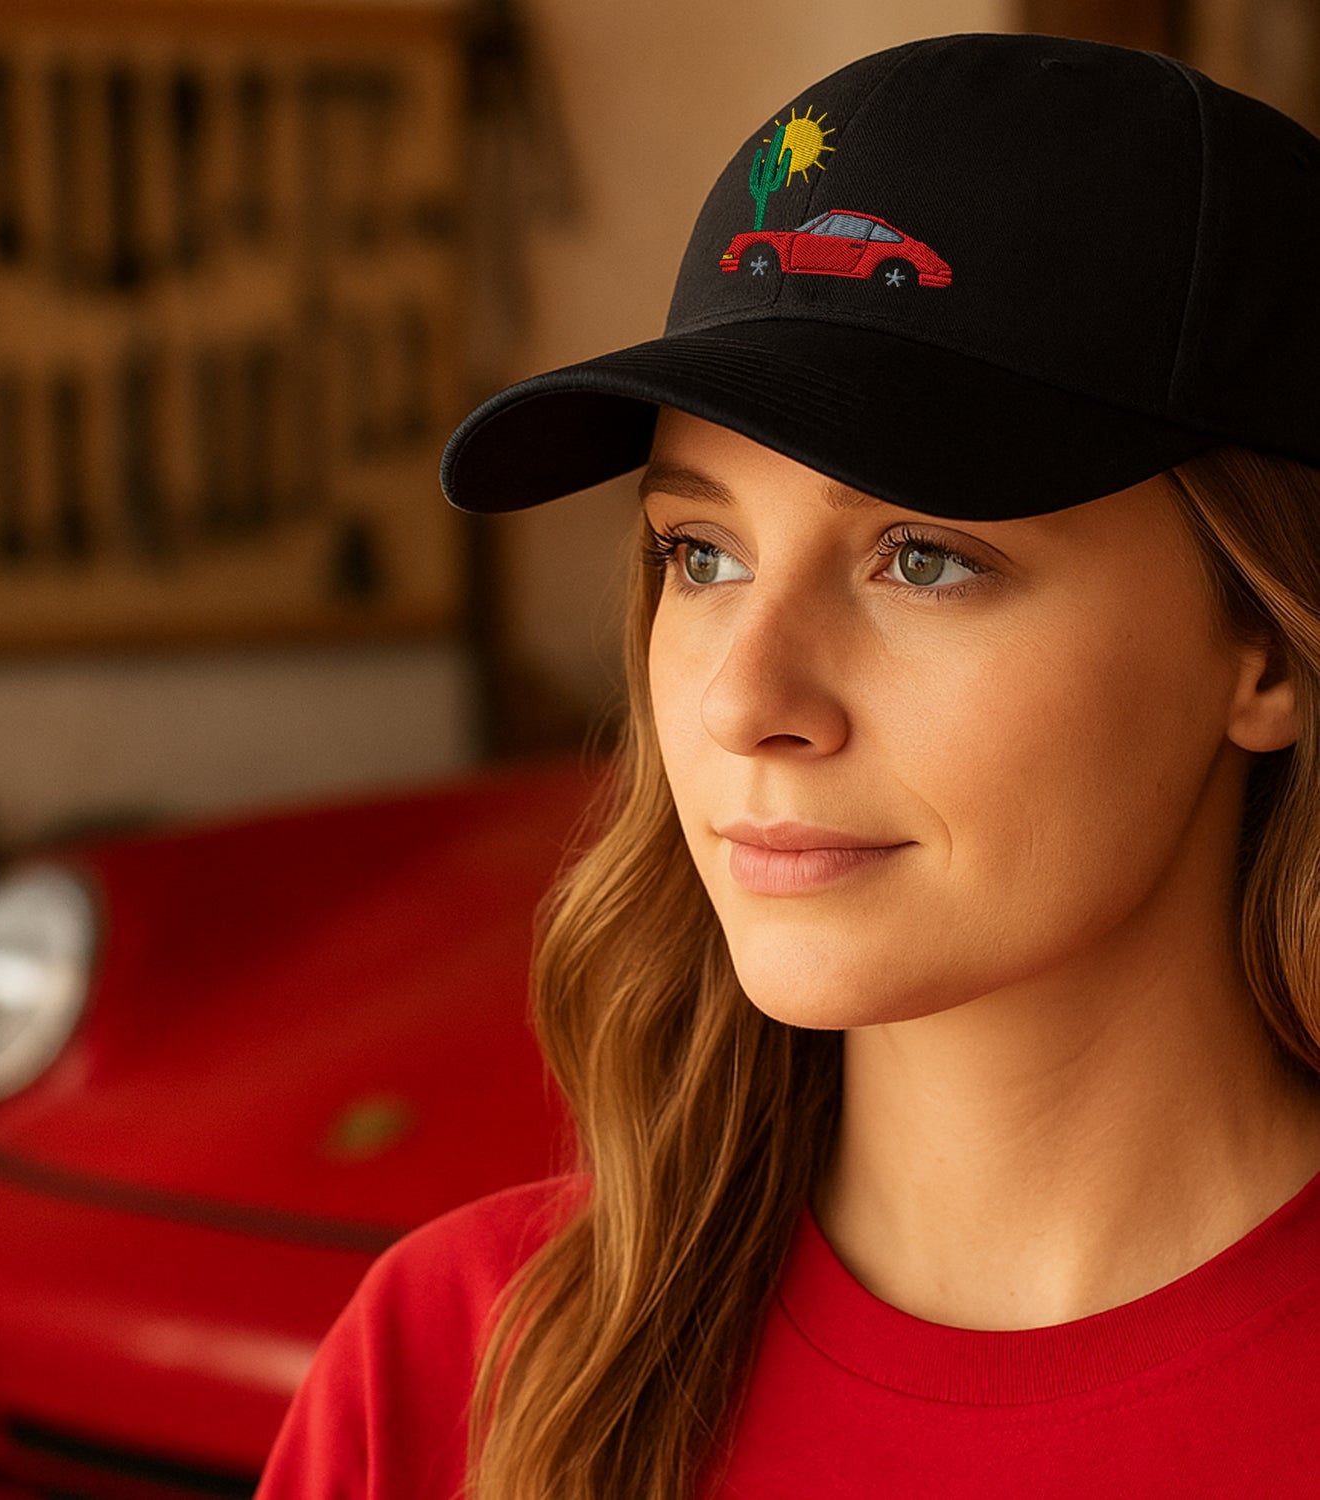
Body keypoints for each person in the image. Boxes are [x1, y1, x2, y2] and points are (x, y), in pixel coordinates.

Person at [257, 32, 1320, 1499]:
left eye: (925, 557)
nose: (746, 700)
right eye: (702, 555)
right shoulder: (456, 1365)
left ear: (1262, 647)